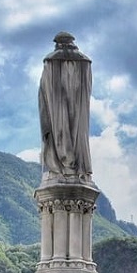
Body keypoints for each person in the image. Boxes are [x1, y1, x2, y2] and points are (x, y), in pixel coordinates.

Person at [38, 32, 93, 180]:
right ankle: (79, 166)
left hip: (56, 110)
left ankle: (59, 164)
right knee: (79, 132)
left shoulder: (50, 61)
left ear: (58, 43)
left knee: (57, 129)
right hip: (79, 111)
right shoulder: (85, 63)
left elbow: (45, 93)